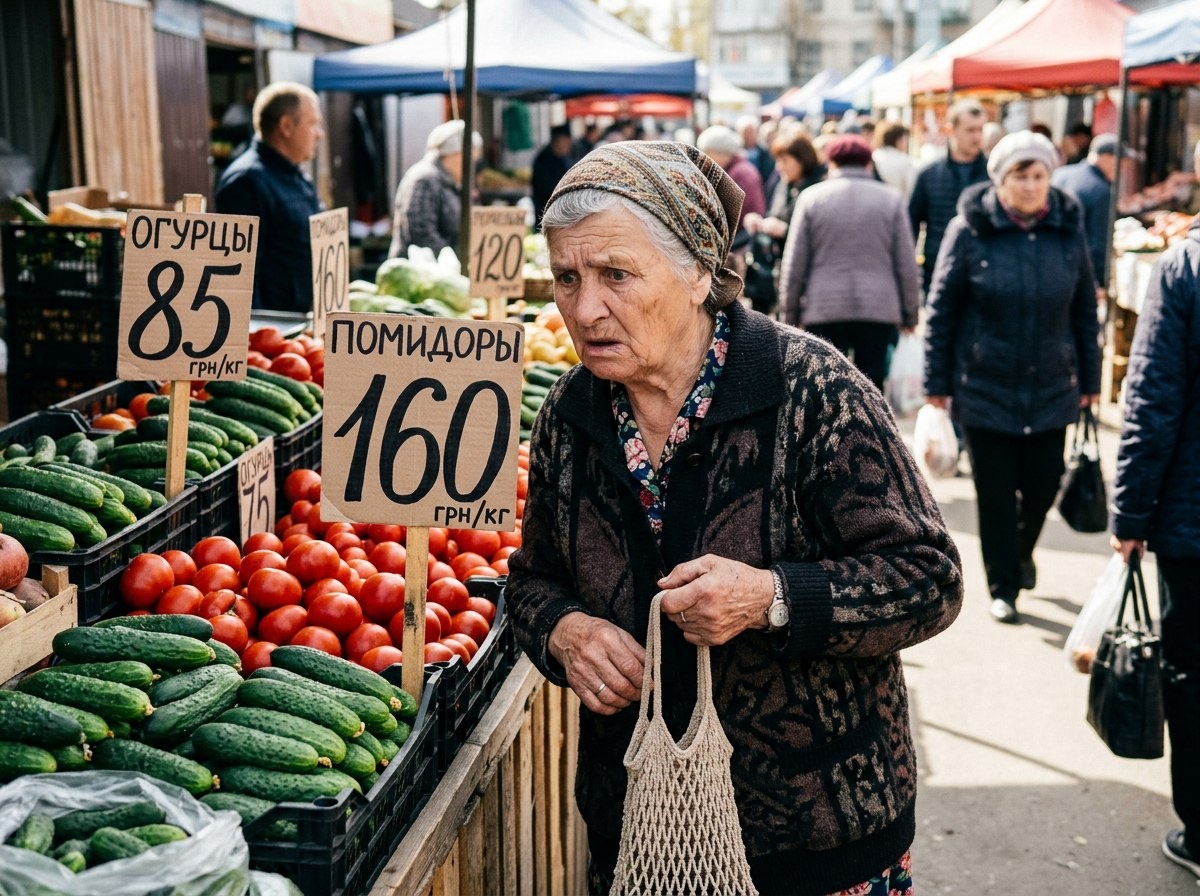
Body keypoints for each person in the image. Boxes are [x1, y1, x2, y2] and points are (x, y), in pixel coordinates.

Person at [506, 138, 963, 896]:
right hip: (643, 837)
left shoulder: (811, 389)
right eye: (566, 278)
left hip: (818, 844)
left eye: (616, 274)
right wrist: (563, 630)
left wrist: (772, 598)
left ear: (696, 273)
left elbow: (928, 579)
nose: (585, 308)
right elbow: (531, 582)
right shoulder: (570, 414)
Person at [923, 130, 1101, 625]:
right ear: (1001, 181)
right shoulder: (969, 230)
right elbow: (942, 312)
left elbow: (1085, 309)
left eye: (1039, 174)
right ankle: (1003, 583)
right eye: (1020, 175)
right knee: (996, 495)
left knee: (1045, 484)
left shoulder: (1068, 229)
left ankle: (1022, 552)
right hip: (984, 384)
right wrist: (936, 389)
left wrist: (1091, 381)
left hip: (1052, 382)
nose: (1030, 184)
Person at [1109, 215, 1200, 881]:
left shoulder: (1184, 266)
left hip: (1193, 521)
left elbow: (1152, 399)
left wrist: (1130, 514)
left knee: (1194, 671)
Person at [778, 134, 921, 389]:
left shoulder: (811, 198)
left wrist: (789, 314)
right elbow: (906, 264)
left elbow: (794, 263)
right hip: (878, 309)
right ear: (868, 164)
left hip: (824, 308)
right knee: (872, 387)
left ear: (832, 163)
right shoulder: (891, 200)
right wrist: (910, 314)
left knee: (826, 387)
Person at [214, 81, 324, 313]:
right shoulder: (245, 182)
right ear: (286, 126)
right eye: (313, 124)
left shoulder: (296, 176)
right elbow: (237, 275)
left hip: (301, 325)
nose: (320, 135)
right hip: (273, 334)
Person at [908, 99, 989, 295]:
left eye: (980, 130)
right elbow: (910, 225)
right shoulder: (929, 175)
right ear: (951, 130)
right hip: (938, 272)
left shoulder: (993, 174)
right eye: (970, 130)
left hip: (984, 274)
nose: (977, 137)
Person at [740, 130, 825, 313]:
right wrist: (761, 223)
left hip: (807, 279)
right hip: (780, 272)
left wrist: (785, 231)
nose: (779, 167)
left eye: (784, 161)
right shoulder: (784, 185)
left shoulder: (818, 188)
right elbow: (775, 214)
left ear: (802, 159)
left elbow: (822, 235)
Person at [387, 119, 481, 259]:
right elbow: (421, 235)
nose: (470, 167)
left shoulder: (449, 181)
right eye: (470, 160)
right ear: (455, 154)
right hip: (419, 272)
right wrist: (454, 261)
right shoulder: (424, 179)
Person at [1051, 132, 1122, 299]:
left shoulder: (1061, 173)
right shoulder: (1100, 190)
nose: (1120, 167)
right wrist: (1098, 281)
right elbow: (1098, 241)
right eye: (1120, 161)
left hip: (1047, 259)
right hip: (1074, 269)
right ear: (1107, 157)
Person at [696, 124, 766, 275]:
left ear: (716, 152)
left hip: (739, 248)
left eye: (707, 153)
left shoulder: (739, 173)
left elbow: (735, 215)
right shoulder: (738, 169)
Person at [532, 124, 576, 226]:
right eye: (566, 142)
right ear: (558, 141)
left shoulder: (566, 157)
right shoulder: (543, 160)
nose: (569, 146)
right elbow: (546, 188)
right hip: (546, 213)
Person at [872, 121, 916, 198]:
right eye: (905, 139)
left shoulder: (874, 156)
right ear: (899, 140)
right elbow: (911, 189)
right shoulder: (905, 160)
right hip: (897, 204)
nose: (906, 143)